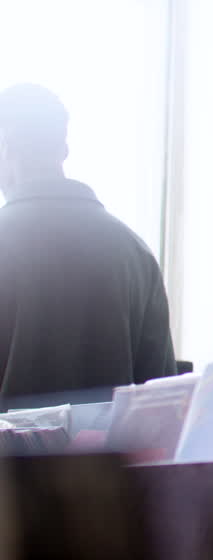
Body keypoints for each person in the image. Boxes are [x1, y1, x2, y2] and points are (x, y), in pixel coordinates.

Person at [0, 84, 175, 410]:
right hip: (106, 463)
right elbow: (160, 405)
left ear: (5, 147)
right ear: (63, 149)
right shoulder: (135, 253)